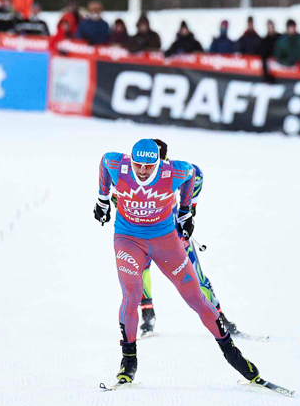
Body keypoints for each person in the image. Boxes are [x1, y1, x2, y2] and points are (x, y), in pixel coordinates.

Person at [94, 139, 276, 391]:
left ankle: (235, 357)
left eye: (149, 166)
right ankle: (128, 361)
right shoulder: (117, 163)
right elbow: (104, 162)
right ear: (130, 159)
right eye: (138, 165)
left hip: (166, 241)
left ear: (159, 162)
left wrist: (186, 211)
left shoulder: (175, 171)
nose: (143, 171)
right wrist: (103, 199)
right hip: (128, 240)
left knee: (196, 299)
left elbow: (193, 174)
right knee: (132, 293)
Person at [133, 138, 242, 338]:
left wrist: (190, 210)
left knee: (196, 277)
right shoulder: (136, 173)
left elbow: (196, 174)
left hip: (173, 237)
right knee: (139, 271)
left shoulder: (175, 170)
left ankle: (220, 318)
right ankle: (147, 318)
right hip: (145, 235)